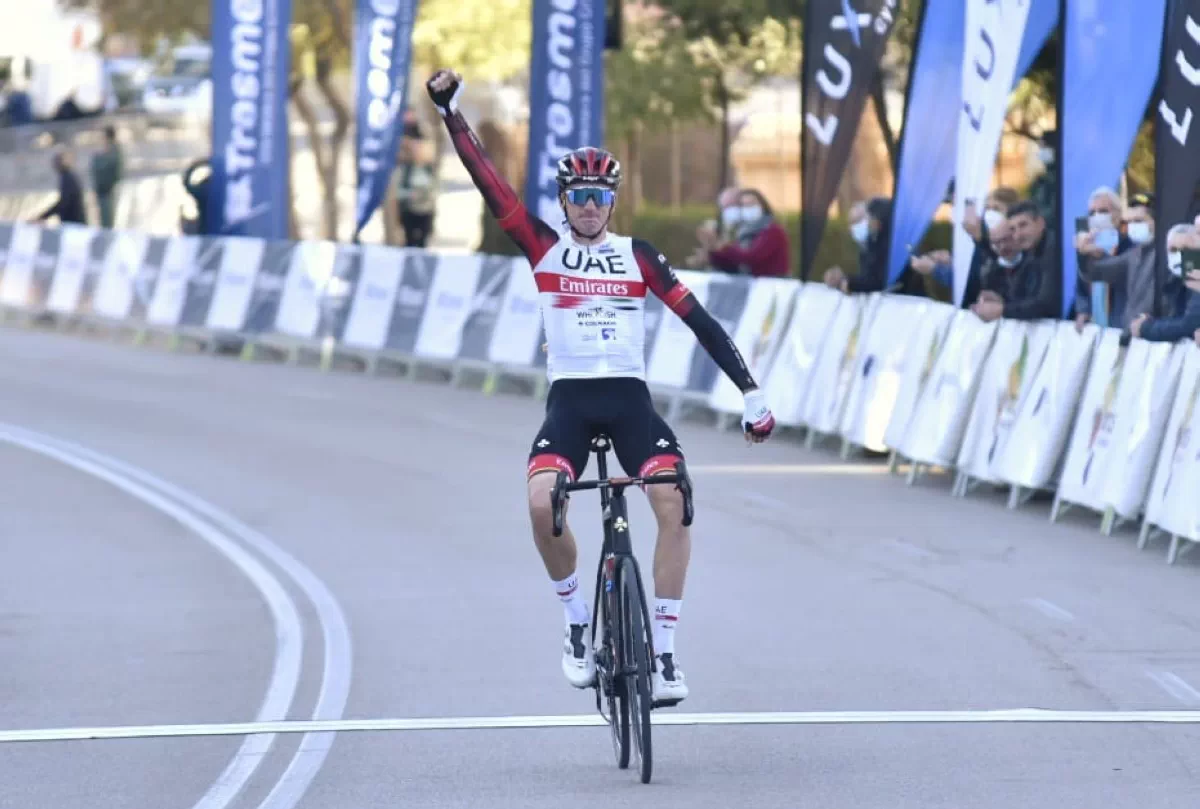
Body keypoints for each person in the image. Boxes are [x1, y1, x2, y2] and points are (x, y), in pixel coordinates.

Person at [426, 68, 777, 706]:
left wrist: (750, 392)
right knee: (540, 505)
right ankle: (576, 629)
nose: (588, 206)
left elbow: (698, 320)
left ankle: (665, 656)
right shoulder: (541, 248)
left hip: (629, 402)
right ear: (563, 202)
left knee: (674, 502)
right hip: (571, 403)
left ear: (613, 202)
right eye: (578, 195)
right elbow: (490, 185)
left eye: (599, 196)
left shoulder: (637, 256)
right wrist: (452, 115)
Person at [701, 188, 791, 277]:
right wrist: (714, 253)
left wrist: (725, 248)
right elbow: (736, 265)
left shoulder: (773, 231)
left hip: (774, 286)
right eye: (744, 206)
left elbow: (752, 257)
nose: (748, 209)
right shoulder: (744, 233)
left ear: (763, 206)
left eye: (751, 204)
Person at [36, 150, 87, 226]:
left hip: (73, 224)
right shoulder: (68, 177)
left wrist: (42, 217)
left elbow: (63, 203)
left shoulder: (67, 178)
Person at [90, 124, 124, 229]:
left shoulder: (112, 151)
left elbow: (110, 170)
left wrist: (97, 158)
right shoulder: (109, 150)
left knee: (107, 219)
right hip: (104, 190)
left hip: (107, 190)